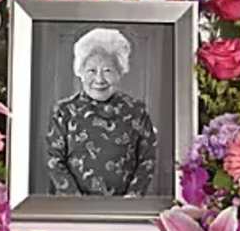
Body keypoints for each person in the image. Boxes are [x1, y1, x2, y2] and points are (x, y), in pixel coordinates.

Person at [46, 28, 157, 197]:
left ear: (120, 72)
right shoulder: (64, 111)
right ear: (80, 72)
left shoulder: (136, 111)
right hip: (74, 207)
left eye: (107, 71)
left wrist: (131, 200)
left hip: (124, 208)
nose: (99, 79)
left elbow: (147, 160)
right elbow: (54, 160)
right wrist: (75, 202)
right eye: (91, 70)